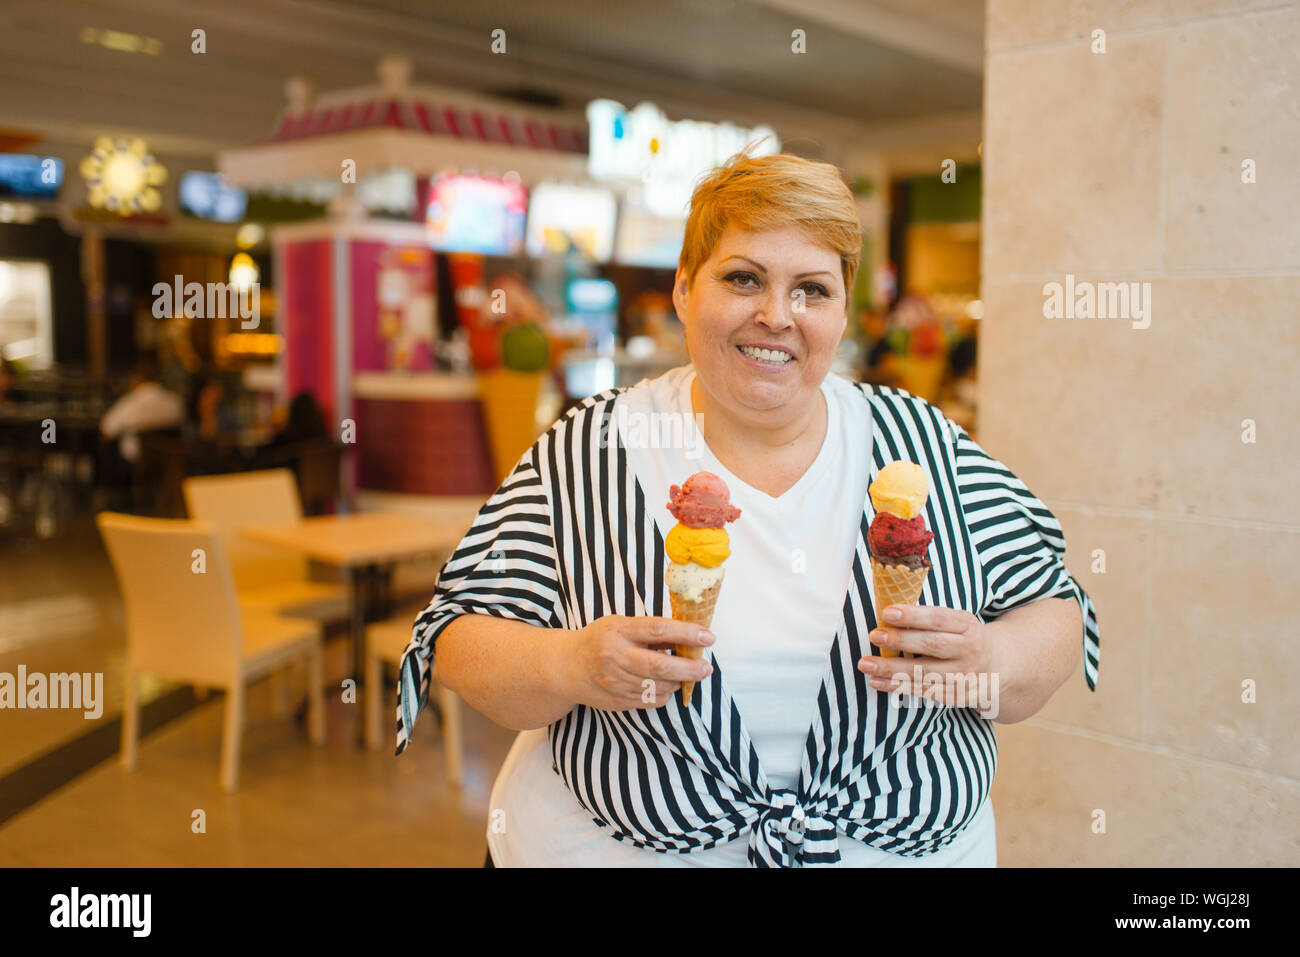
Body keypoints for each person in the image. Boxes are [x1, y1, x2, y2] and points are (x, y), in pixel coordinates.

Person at [397, 151, 1100, 868]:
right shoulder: (596, 443)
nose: (776, 315)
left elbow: (1059, 608)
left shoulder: (923, 445)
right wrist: (567, 663)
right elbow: (455, 636)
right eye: (743, 278)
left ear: (842, 312)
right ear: (682, 290)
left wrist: (994, 657)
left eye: (812, 290)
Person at [99, 357, 184, 462]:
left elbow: (106, 431)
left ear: (137, 379)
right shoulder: (175, 402)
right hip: (169, 463)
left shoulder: (130, 402)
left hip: (136, 466)